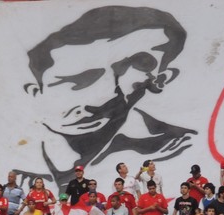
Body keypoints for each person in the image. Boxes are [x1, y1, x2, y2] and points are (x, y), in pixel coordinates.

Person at [20, 5, 196, 193]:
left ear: (162, 78)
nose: (110, 93)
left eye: (138, 64)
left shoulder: (172, 145)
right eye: (78, 81)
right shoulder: (17, 166)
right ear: (35, 91)